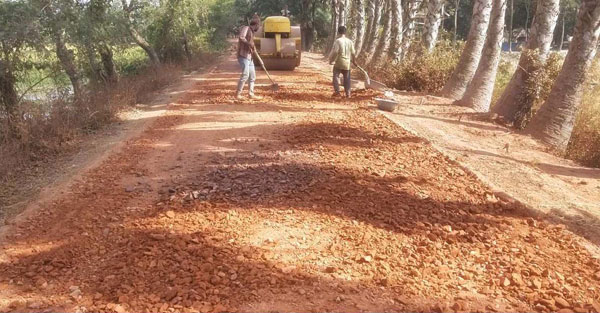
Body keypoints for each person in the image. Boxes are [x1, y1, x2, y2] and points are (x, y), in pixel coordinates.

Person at [236, 19, 262, 100]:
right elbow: (241, 37)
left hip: (249, 57)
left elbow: (253, 48)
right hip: (243, 56)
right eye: (258, 25)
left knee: (252, 76)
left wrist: (260, 60)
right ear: (256, 25)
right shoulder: (246, 28)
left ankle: (251, 94)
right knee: (245, 75)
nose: (258, 27)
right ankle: (238, 94)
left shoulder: (252, 33)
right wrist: (248, 43)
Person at [328, 25, 357, 98]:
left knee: (336, 76)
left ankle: (337, 92)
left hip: (339, 62)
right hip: (347, 63)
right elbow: (353, 53)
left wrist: (332, 60)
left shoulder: (338, 41)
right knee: (347, 78)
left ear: (338, 32)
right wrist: (354, 61)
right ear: (345, 32)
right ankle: (348, 94)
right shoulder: (350, 41)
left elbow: (335, 52)